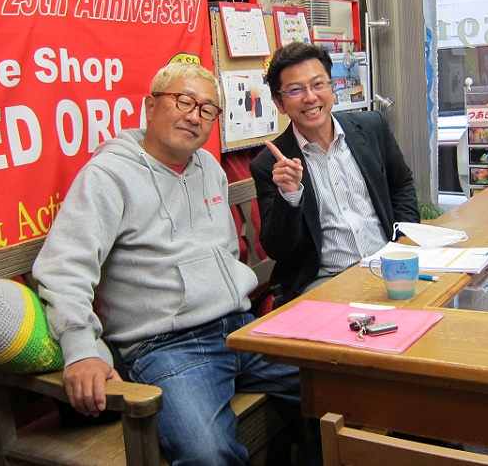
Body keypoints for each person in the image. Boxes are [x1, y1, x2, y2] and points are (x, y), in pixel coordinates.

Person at [33, 62, 309, 466]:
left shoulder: (209, 168)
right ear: (150, 106)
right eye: (184, 101)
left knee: (338, 383)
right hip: (167, 347)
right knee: (207, 454)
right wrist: (81, 349)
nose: (194, 116)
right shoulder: (108, 176)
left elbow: (225, 252)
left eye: (207, 110)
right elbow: (64, 269)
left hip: (238, 328)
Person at [250, 42, 420, 304]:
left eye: (318, 84)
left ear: (332, 87)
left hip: (387, 263)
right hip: (326, 280)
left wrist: (401, 244)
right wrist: (289, 196)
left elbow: (401, 185)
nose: (310, 97)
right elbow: (279, 250)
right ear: (279, 103)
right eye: (295, 90)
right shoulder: (271, 164)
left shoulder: (372, 127)